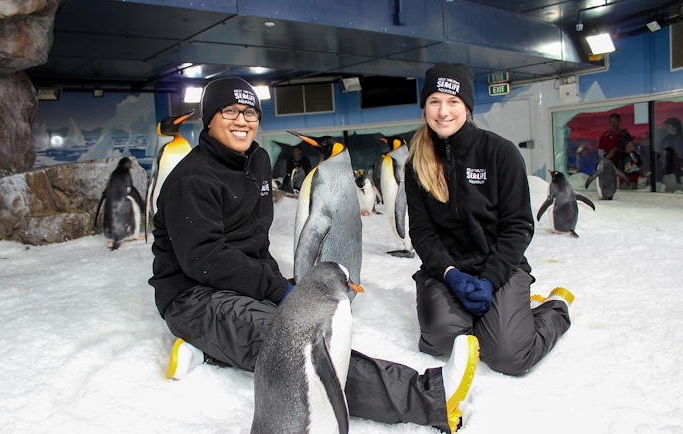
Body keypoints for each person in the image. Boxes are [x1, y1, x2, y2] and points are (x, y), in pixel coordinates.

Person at [148, 77, 479, 433]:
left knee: (302, 321)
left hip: (237, 285)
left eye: (249, 112)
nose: (241, 121)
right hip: (194, 296)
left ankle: (209, 347)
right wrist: (274, 291)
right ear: (208, 119)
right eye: (229, 111)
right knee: (298, 348)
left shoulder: (255, 161)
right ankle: (428, 397)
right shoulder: (192, 180)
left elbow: (254, 241)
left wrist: (274, 286)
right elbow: (205, 259)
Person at [404, 62, 573, 377]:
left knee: (508, 355)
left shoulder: (500, 153)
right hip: (446, 270)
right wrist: (451, 274)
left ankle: (555, 310)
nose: (443, 111)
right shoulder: (417, 164)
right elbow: (422, 233)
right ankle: (486, 314)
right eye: (434, 101)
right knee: (440, 338)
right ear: (424, 107)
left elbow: (518, 226)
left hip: (499, 267)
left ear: (467, 107)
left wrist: (489, 281)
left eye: (453, 101)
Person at [657, 117, 683, 193]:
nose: (666, 128)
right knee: (670, 191)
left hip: (679, 170)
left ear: (675, 128)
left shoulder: (680, 139)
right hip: (668, 170)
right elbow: (660, 154)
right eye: (666, 126)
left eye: (668, 126)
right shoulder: (665, 140)